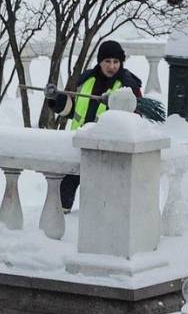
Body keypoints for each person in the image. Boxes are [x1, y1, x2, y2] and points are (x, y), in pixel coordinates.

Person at [47, 40, 142, 213]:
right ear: (100, 61)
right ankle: (63, 217)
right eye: (107, 61)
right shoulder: (87, 80)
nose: (112, 66)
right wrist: (56, 99)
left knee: (101, 194)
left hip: (108, 150)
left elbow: (136, 119)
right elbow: (73, 110)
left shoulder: (129, 86)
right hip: (80, 144)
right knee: (66, 185)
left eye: (116, 62)